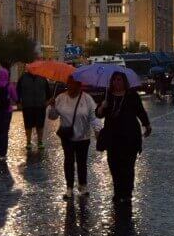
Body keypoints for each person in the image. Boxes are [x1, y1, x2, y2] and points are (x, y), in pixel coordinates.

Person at [96, 72, 152, 204]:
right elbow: (98, 115)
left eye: (119, 80)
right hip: (113, 138)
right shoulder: (107, 96)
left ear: (124, 81)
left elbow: (140, 111)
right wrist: (101, 107)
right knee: (114, 166)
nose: (117, 82)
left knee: (128, 166)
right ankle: (117, 191)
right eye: (114, 80)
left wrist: (147, 125)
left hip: (130, 136)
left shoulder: (132, 95)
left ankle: (127, 192)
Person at [47, 75, 101, 199]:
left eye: (73, 84)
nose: (70, 86)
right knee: (69, 161)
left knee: (82, 162)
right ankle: (69, 187)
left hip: (83, 137)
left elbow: (94, 116)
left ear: (79, 85)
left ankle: (83, 185)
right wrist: (52, 106)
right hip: (67, 137)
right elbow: (52, 116)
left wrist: (97, 130)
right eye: (69, 83)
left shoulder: (87, 99)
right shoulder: (60, 98)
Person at [16, 69, 52, 152]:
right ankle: (28, 142)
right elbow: (18, 91)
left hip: (40, 105)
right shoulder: (23, 78)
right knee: (28, 125)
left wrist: (47, 102)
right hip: (27, 105)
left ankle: (40, 141)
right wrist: (18, 102)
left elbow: (47, 92)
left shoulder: (42, 78)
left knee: (40, 125)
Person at [0, 66, 18, 161]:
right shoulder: (10, 85)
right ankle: (3, 152)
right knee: (5, 132)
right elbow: (15, 98)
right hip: (7, 111)